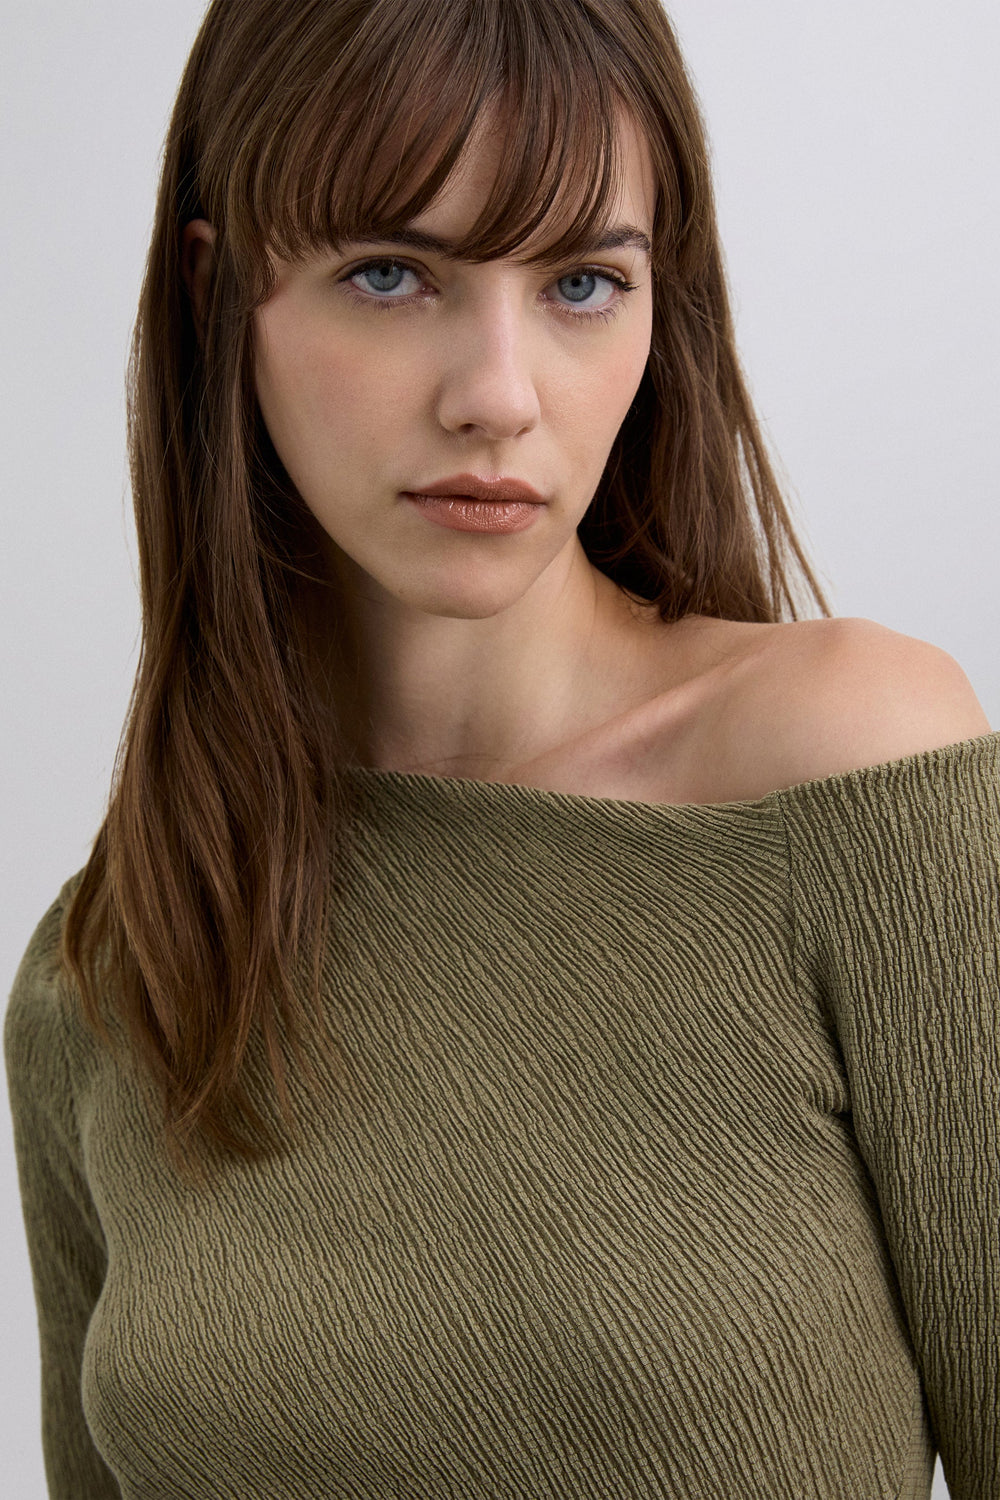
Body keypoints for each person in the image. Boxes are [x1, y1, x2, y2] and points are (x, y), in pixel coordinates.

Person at [5, 0, 997, 1496]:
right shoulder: (109, 968)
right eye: (391, 274)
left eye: (583, 283)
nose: (498, 396)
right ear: (220, 295)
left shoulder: (851, 780)